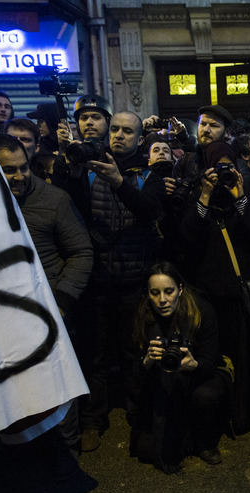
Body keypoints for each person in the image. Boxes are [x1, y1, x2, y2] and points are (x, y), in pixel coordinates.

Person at [51, 104, 168, 452]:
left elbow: (150, 211)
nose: (118, 135)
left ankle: (137, 415)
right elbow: (71, 213)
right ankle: (93, 420)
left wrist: (118, 182)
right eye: (114, 129)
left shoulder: (151, 177)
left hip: (134, 280)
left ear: (140, 138)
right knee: (94, 354)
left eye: (127, 131)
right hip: (96, 282)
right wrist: (71, 172)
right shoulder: (87, 172)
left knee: (134, 352)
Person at [0, 132, 94, 480]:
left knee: (58, 382)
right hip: (1, 313)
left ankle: (67, 450)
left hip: (50, 312)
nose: (18, 177)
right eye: (8, 171)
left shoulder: (54, 200)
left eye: (23, 168)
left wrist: (61, 301)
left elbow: (81, 252)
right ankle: (21, 447)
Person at [178, 140, 250, 435]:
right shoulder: (199, 194)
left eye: (228, 166)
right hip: (208, 294)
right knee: (213, 354)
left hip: (241, 293)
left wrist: (241, 198)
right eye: (216, 167)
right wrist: (205, 195)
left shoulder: (247, 191)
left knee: (246, 355)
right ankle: (216, 411)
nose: (223, 173)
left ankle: (243, 412)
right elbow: (187, 239)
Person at [126, 262, 229, 473]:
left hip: (200, 378)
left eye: (169, 291)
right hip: (160, 383)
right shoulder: (142, 316)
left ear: (180, 289)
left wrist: (194, 364)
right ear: (147, 294)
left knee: (205, 396)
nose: (162, 300)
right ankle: (180, 435)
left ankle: (204, 440)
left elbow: (210, 364)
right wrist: (147, 361)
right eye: (155, 293)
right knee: (146, 451)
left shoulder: (201, 311)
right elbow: (133, 372)